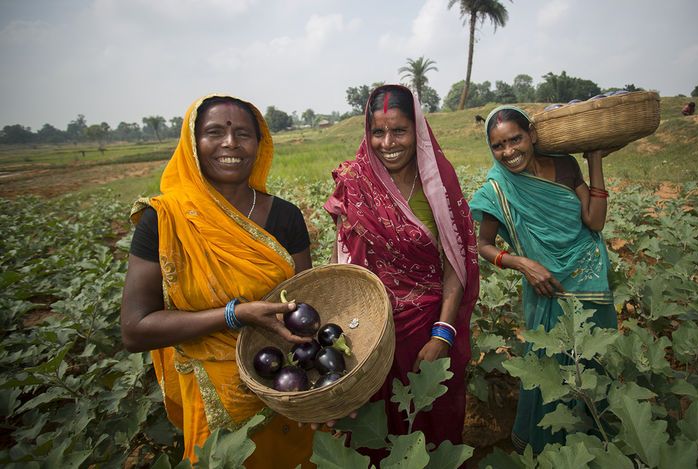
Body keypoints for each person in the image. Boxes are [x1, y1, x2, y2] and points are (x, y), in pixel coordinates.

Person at [120, 94, 316, 467]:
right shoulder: (164, 220)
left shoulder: (285, 217)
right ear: (193, 145)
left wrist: (323, 389)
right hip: (215, 407)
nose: (230, 143)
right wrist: (234, 314)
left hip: (283, 388)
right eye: (214, 132)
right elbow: (135, 330)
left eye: (243, 133)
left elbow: (304, 314)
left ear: (259, 145)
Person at [323, 84, 480, 452]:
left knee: (430, 422)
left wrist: (443, 335)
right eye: (378, 131)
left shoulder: (437, 184)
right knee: (374, 431)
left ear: (417, 130)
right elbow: (341, 260)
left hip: (425, 330)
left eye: (399, 131)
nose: (388, 142)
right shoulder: (354, 184)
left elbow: (455, 264)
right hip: (369, 332)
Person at [469, 105, 618, 454]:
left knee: (591, 361)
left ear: (532, 135)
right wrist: (523, 264)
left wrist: (594, 159)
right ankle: (554, 451)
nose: (508, 152)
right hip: (545, 286)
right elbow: (482, 245)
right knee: (551, 370)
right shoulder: (497, 189)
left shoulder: (565, 165)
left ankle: (596, 448)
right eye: (498, 146)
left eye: (515, 139)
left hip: (588, 276)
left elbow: (594, 222)